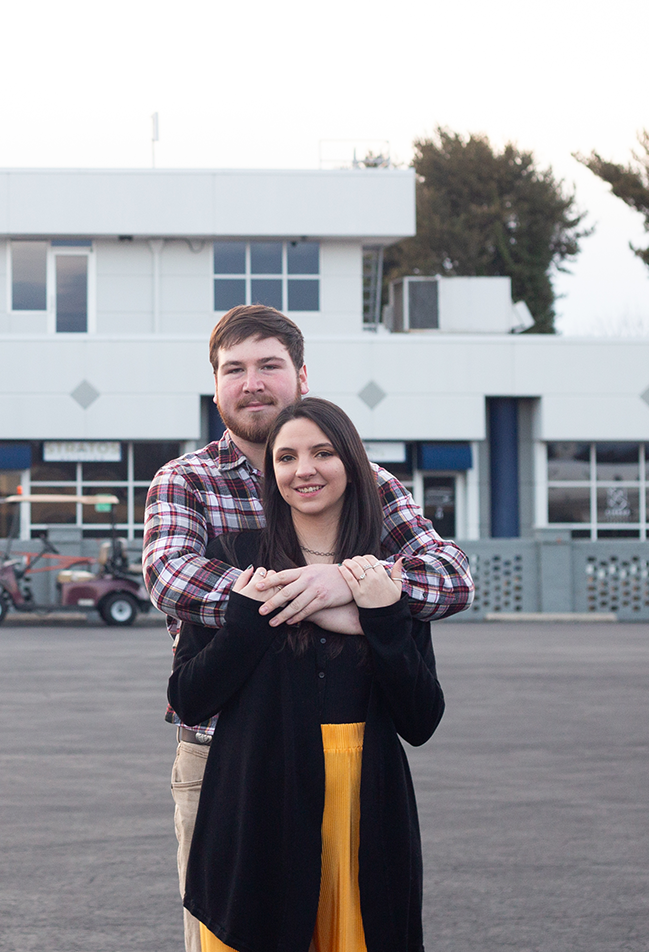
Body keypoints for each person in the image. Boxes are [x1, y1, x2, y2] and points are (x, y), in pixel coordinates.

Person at [143, 305, 471, 952]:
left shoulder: (368, 484)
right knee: (235, 932)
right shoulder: (188, 479)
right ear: (216, 387)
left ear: (301, 376)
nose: (253, 382)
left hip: (354, 758)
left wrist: (348, 586)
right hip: (225, 756)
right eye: (234, 369)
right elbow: (172, 581)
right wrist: (333, 596)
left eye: (269, 365)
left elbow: (451, 578)